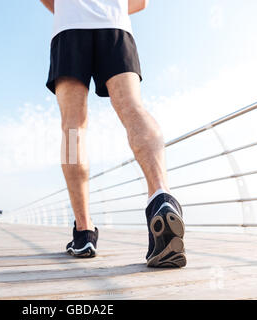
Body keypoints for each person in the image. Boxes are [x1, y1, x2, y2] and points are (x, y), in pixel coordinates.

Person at [40, 0, 186, 268]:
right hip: (115, 25)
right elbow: (141, 2)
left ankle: (84, 233)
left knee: (73, 128)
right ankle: (161, 198)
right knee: (132, 108)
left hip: (70, 27)